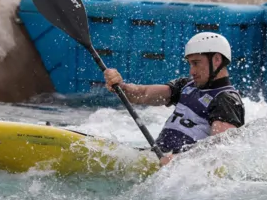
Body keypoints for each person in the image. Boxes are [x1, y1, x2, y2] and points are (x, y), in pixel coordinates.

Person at [103, 32, 245, 166]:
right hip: (158, 158)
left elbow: (219, 150)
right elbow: (142, 94)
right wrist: (120, 86)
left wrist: (178, 161)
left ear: (216, 60)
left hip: (178, 168)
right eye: (190, 64)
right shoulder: (186, 85)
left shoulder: (226, 99)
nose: (192, 71)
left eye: (196, 63)